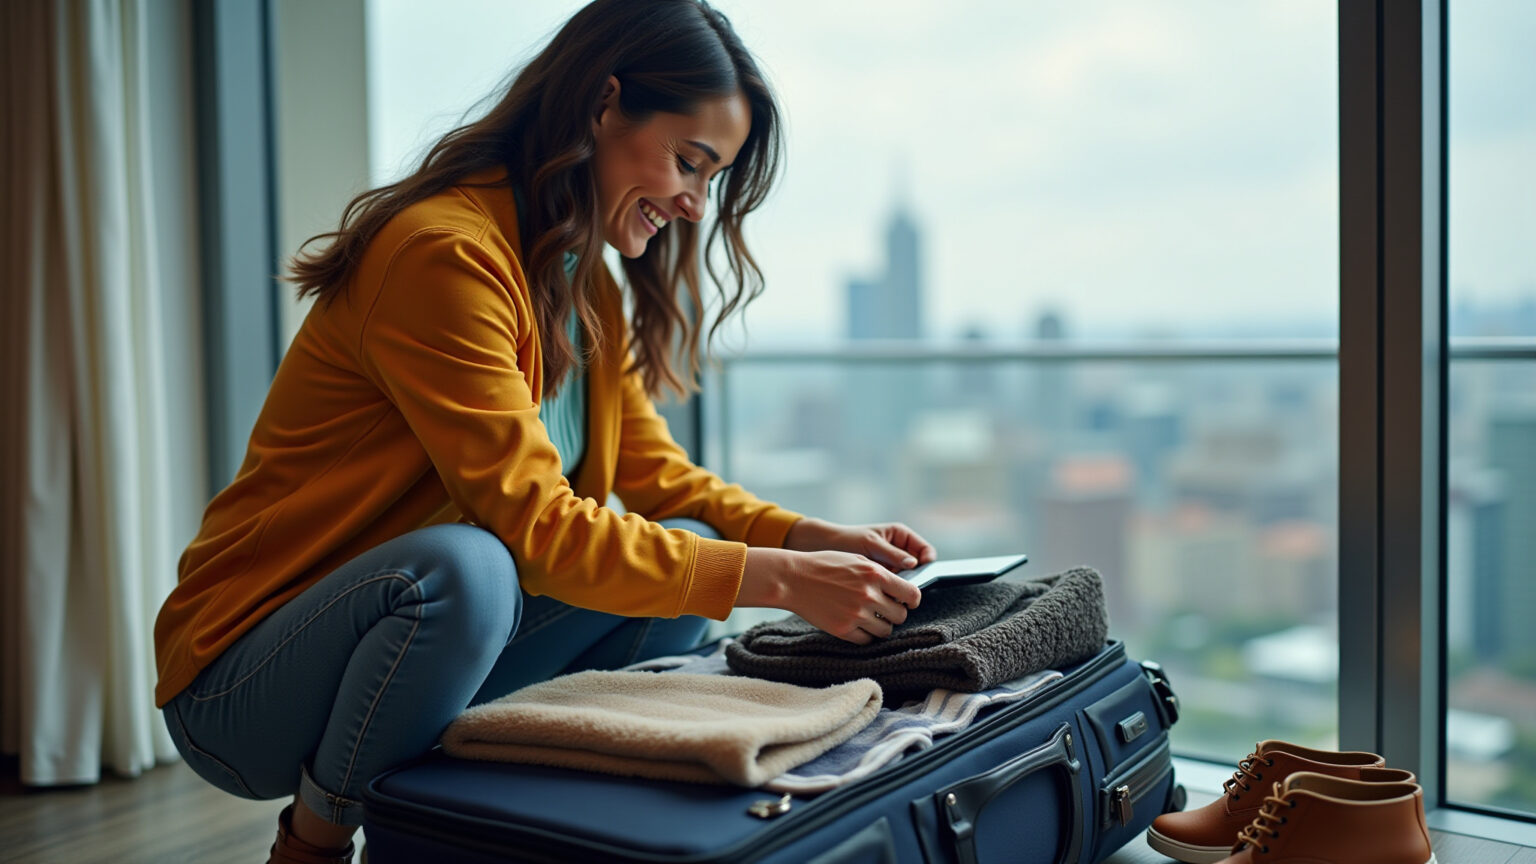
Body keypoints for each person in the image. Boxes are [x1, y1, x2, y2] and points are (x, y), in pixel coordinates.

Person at [151, 2, 935, 861]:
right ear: (603, 106)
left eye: (710, 178)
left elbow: (658, 476)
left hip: (404, 659)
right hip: (243, 689)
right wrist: (781, 581)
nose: (693, 204)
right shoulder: (442, 256)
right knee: (470, 567)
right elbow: (536, 529)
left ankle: (526, 821)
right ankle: (316, 842)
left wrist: (806, 537)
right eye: (688, 162)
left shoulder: (577, 275)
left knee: (685, 553)